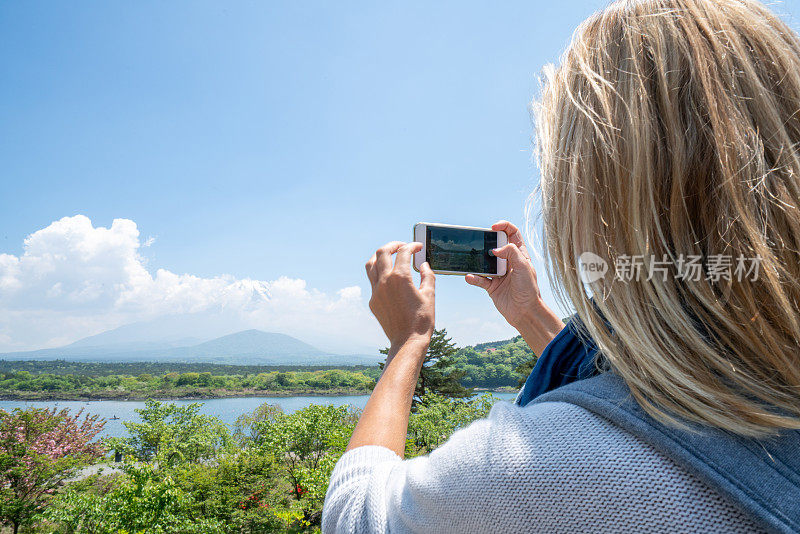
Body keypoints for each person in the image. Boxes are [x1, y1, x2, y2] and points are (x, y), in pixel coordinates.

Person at [322, 0, 800, 532]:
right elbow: (642, 383)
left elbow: (356, 514)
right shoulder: (766, 375)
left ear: (596, 190)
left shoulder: (534, 468)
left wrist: (408, 342)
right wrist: (529, 313)